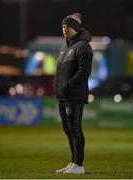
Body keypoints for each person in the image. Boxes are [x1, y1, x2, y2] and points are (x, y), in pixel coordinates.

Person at [53, 12, 93, 174]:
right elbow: (59, 71)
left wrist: (68, 85)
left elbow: (84, 72)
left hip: (74, 95)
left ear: (75, 28)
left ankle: (79, 165)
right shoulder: (65, 47)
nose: (64, 29)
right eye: (63, 26)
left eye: (67, 26)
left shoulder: (83, 46)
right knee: (68, 129)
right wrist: (57, 84)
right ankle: (73, 162)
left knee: (75, 129)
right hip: (63, 95)